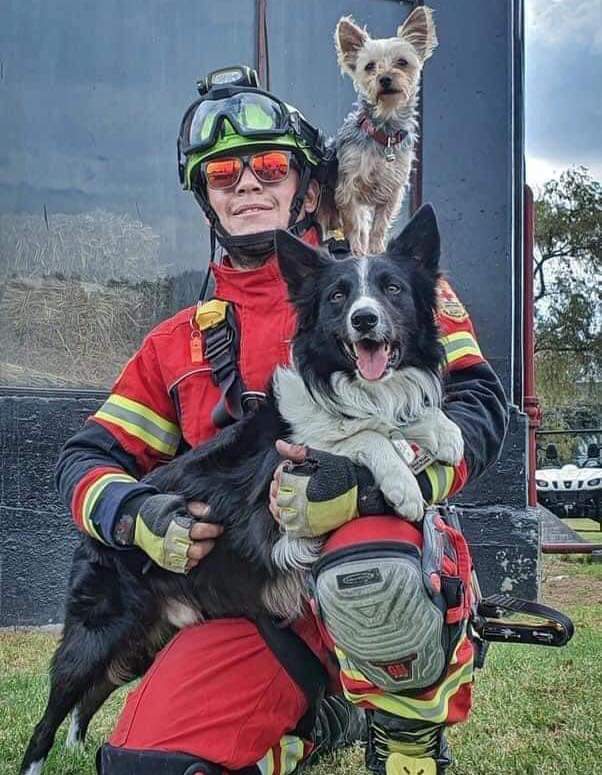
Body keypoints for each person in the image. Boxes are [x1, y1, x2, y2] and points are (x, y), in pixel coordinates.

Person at [56, 68, 508, 775]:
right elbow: (85, 458)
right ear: (204, 197)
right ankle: (319, 713)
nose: (246, 183)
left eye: (267, 164)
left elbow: (481, 404)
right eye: (222, 173)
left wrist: (370, 485)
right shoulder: (175, 343)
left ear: (305, 180)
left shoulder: (390, 288)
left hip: (388, 564)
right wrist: (134, 512)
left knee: (374, 548)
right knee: (150, 767)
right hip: (258, 609)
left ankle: (409, 738)